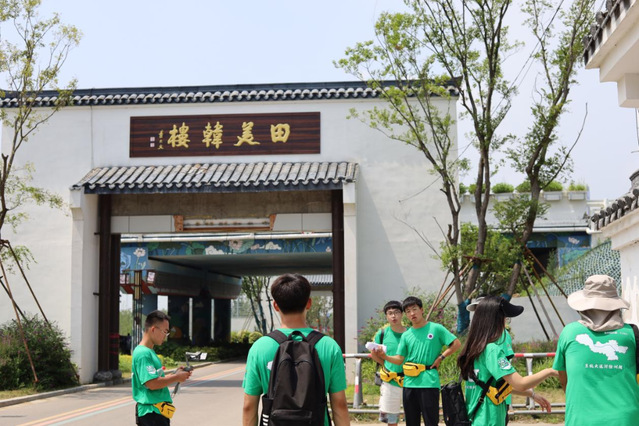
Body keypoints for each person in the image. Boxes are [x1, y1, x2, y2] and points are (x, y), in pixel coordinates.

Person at [242, 273, 350, 426]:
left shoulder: (260, 347)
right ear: (309, 303)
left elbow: (248, 406)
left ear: (275, 305)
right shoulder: (329, 346)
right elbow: (340, 404)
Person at [553, 274, 639, 426]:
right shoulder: (632, 334)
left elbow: (564, 378)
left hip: (581, 419)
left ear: (584, 306)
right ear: (615, 306)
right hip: (625, 419)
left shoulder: (569, 332)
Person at [458, 296, 554, 426]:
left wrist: (532, 394)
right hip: (489, 420)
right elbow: (520, 383)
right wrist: (550, 371)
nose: (505, 322)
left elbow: (494, 386)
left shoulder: (473, 348)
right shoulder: (492, 350)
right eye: (504, 317)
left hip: (475, 419)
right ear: (495, 320)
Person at [373, 296, 461, 426]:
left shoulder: (436, 328)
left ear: (422, 309)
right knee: (411, 422)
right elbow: (399, 359)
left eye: (414, 309)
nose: (412, 314)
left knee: (431, 422)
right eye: (408, 311)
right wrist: (384, 357)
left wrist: (441, 357)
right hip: (409, 384)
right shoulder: (406, 335)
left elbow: (456, 344)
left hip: (429, 382)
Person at [132, 310, 192, 426]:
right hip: (151, 413)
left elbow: (156, 378)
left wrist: (175, 374)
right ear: (153, 329)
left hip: (156, 412)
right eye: (165, 331)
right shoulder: (143, 354)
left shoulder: (149, 352)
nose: (165, 336)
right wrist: (176, 378)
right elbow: (152, 383)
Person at [369, 300, 407, 426]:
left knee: (413, 417)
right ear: (386, 316)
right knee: (391, 420)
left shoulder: (410, 333)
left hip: (410, 381)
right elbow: (374, 354)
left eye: (396, 312)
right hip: (390, 382)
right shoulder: (382, 333)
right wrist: (386, 364)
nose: (393, 316)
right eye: (390, 313)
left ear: (402, 314)